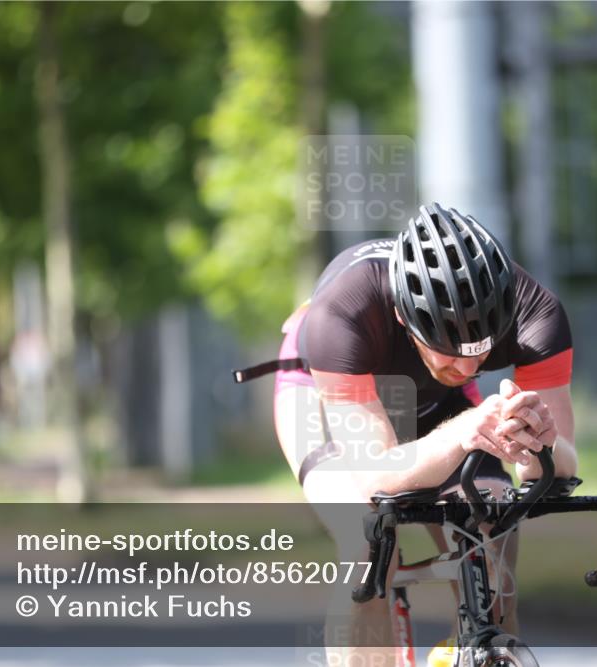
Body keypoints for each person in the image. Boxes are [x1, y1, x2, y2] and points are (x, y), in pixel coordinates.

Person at [236, 202, 577, 666]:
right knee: (369, 537)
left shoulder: (537, 316)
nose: (468, 368)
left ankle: (478, 649)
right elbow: (375, 475)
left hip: (433, 401)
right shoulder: (344, 314)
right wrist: (464, 431)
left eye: (481, 355)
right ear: (404, 317)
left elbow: (561, 465)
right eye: (449, 353)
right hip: (322, 392)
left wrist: (533, 444)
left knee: (492, 521)